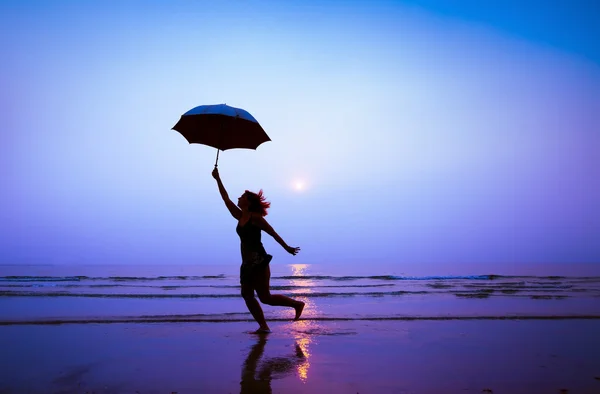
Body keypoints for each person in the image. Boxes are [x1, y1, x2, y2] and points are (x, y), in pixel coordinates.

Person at [212, 167, 304, 333]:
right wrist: (217, 179)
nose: (238, 198)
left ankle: (296, 304)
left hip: (258, 261)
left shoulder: (256, 218)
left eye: (242, 196)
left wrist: (287, 248)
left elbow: (272, 233)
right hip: (246, 263)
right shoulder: (240, 216)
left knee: (265, 298)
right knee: (247, 295)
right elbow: (225, 199)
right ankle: (263, 326)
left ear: (248, 201)